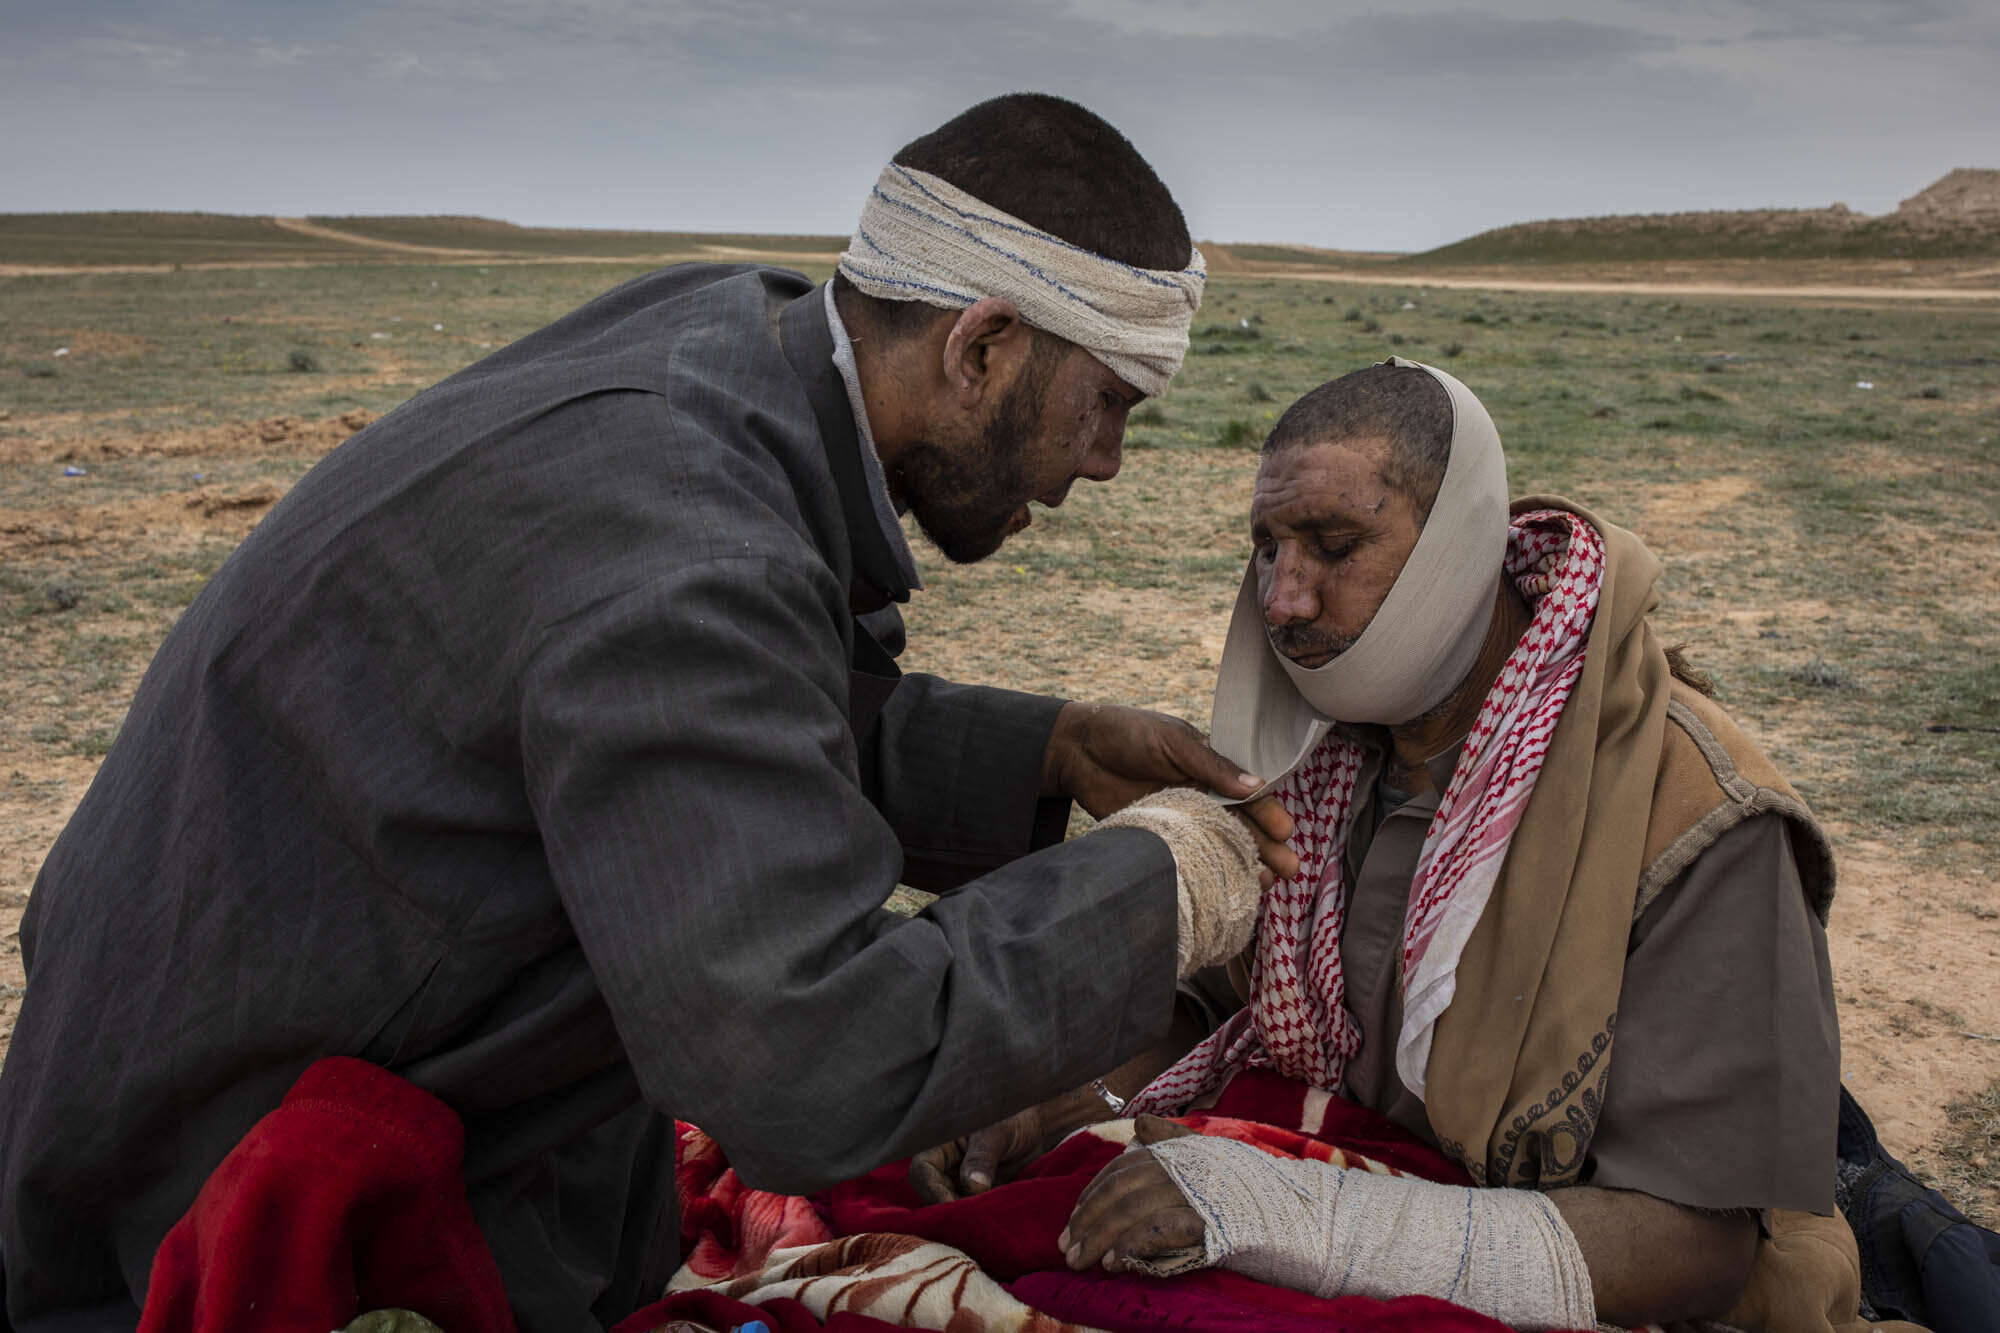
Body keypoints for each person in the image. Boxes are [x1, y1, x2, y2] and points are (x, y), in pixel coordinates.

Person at [0, 94, 1296, 1332]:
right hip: (215, 1215)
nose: (1107, 462)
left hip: (237, 1060)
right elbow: (810, 1063)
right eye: (1108, 403)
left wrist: (1052, 746)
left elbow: (703, 716)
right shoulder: (685, 547)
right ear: (983, 347)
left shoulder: (723, 347)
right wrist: (1168, 887)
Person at [919, 359, 1856, 1331]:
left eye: (1333, 546)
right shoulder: (1312, 743)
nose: (1282, 600)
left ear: (1461, 547)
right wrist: (1070, 1099)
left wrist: (1292, 1213)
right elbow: (1228, 1004)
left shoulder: (1690, 812)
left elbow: (1693, 1250)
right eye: (1266, 549)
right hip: (1330, 1166)